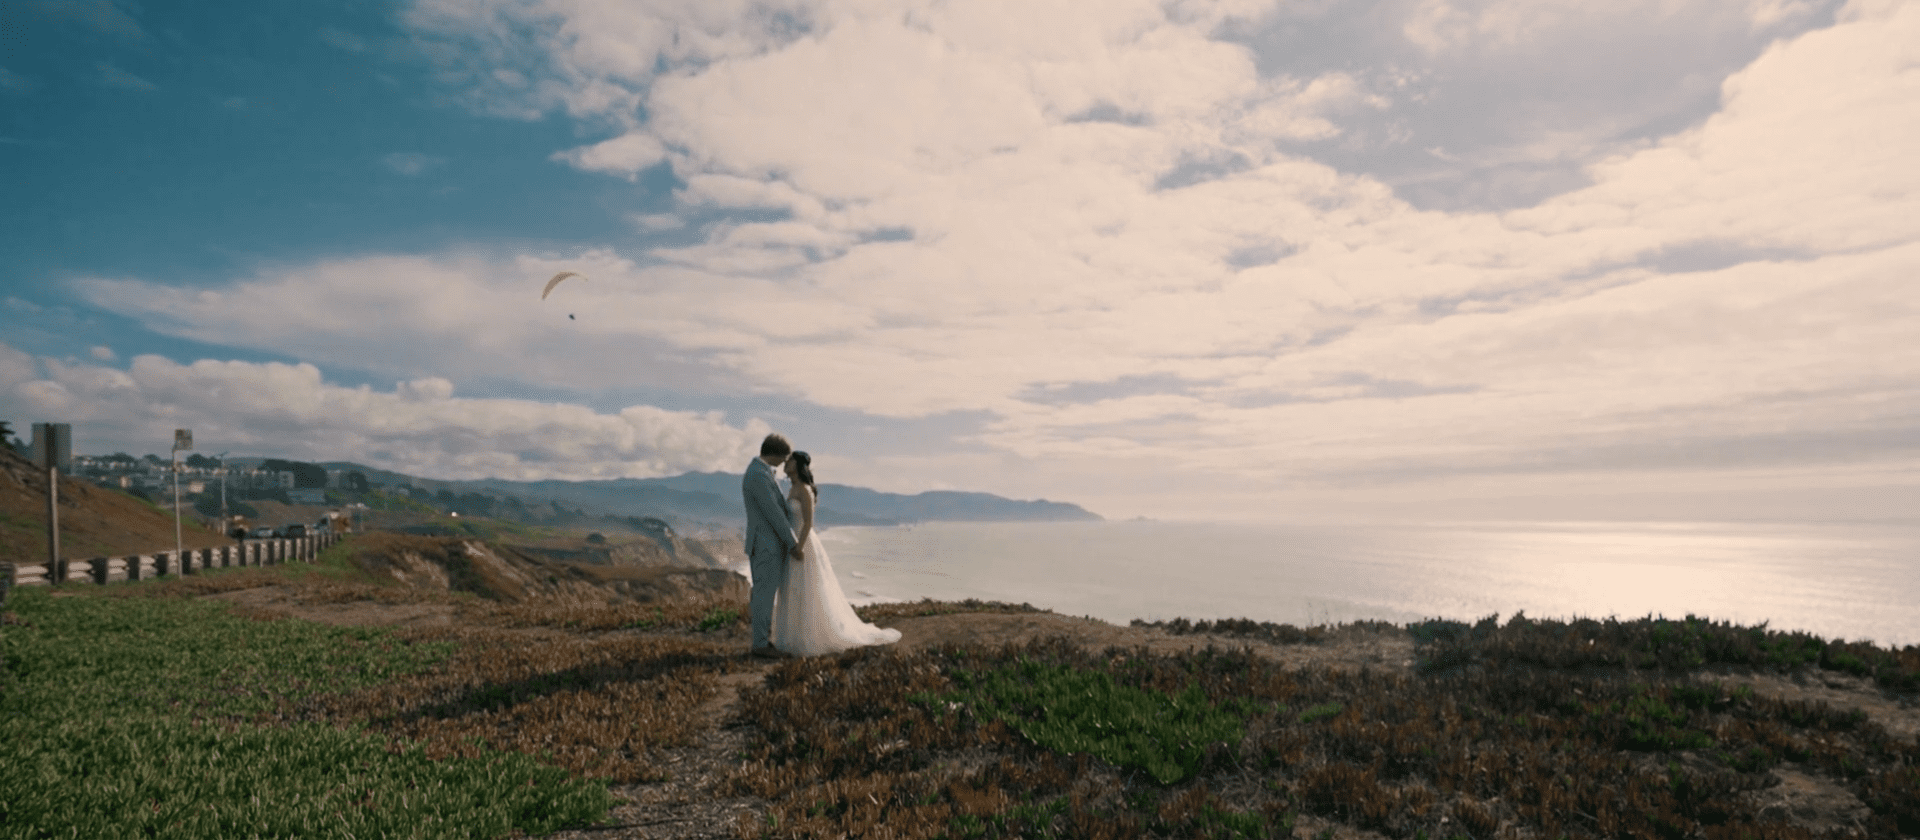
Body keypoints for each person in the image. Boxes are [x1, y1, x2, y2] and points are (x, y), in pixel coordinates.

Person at [771, 451, 902, 656]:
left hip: (803, 544)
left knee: (805, 588)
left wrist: (799, 547)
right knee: (793, 588)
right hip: (792, 543)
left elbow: (808, 522)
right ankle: (792, 637)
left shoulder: (804, 489)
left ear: (798, 465)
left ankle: (807, 637)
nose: (786, 462)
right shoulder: (793, 488)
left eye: (790, 460)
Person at [742, 433, 802, 659]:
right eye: (785, 457)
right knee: (764, 596)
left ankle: (763, 641)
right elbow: (774, 514)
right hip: (765, 545)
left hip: (767, 545)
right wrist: (793, 543)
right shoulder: (758, 475)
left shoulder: (761, 472)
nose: (786, 462)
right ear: (776, 454)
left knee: (765, 594)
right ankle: (760, 644)